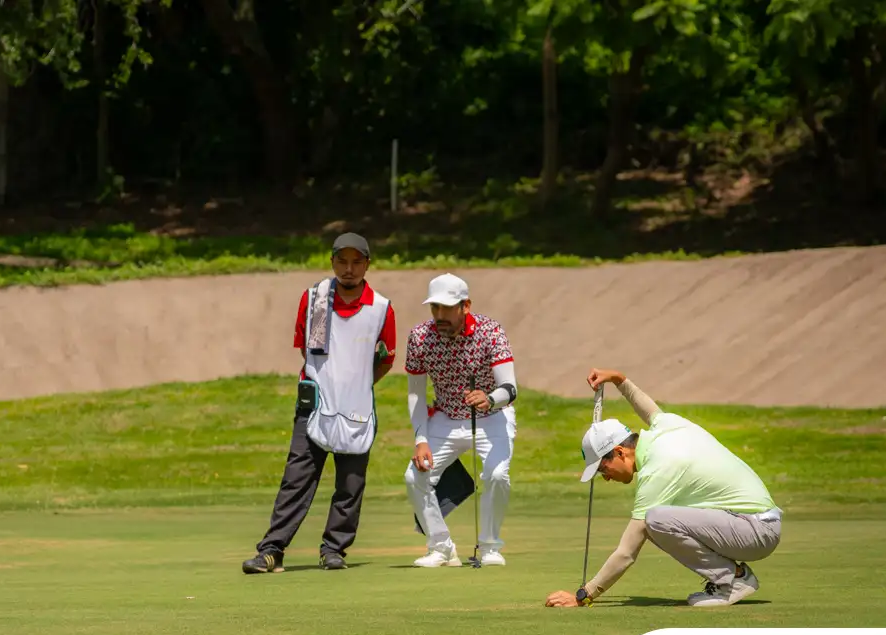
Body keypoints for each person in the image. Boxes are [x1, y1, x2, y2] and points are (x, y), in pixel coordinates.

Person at [546, 368, 782, 608]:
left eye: (602, 469)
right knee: (657, 520)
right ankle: (731, 577)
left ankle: (733, 580)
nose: (606, 478)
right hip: (753, 524)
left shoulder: (657, 469)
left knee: (655, 520)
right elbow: (647, 407)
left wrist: (583, 595)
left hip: (755, 531)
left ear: (619, 452)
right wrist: (618, 380)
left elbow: (626, 553)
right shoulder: (666, 426)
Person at [242, 233, 397, 573]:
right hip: (314, 404)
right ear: (332, 262)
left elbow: (386, 359)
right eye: (342, 261)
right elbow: (305, 347)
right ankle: (272, 550)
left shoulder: (381, 307)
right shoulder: (314, 298)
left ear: (367, 265)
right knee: (296, 479)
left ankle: (334, 549)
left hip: (357, 408)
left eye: (356, 262)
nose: (349, 269)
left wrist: (355, 384)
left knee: (350, 484)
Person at [404, 273, 518, 567]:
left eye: (447, 307)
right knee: (415, 476)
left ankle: (490, 546)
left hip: (492, 415)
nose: (439, 315)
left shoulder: (491, 332)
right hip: (446, 416)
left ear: (465, 306)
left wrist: (490, 398)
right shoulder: (420, 337)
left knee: (496, 475)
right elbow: (416, 394)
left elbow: (510, 388)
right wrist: (421, 439)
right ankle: (441, 548)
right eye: (435, 307)